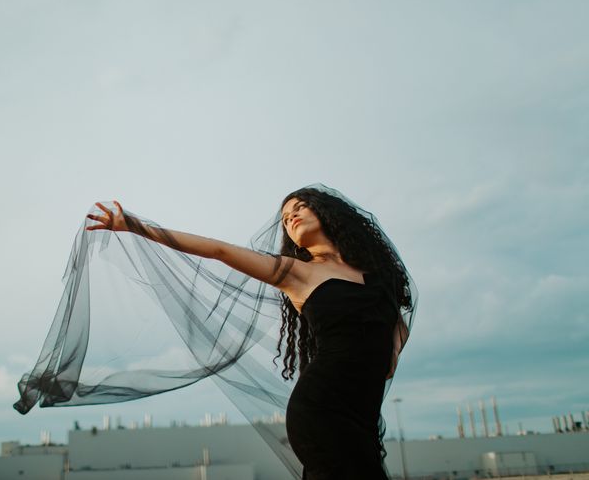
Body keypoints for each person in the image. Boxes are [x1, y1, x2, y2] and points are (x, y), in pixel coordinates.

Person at [82, 186, 414, 479]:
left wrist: (394, 349)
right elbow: (219, 251)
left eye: (300, 207)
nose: (292, 217)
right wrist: (135, 226)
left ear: (328, 213)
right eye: (285, 218)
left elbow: (395, 319)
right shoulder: (297, 273)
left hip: (363, 410)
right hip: (321, 407)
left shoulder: (376, 274)